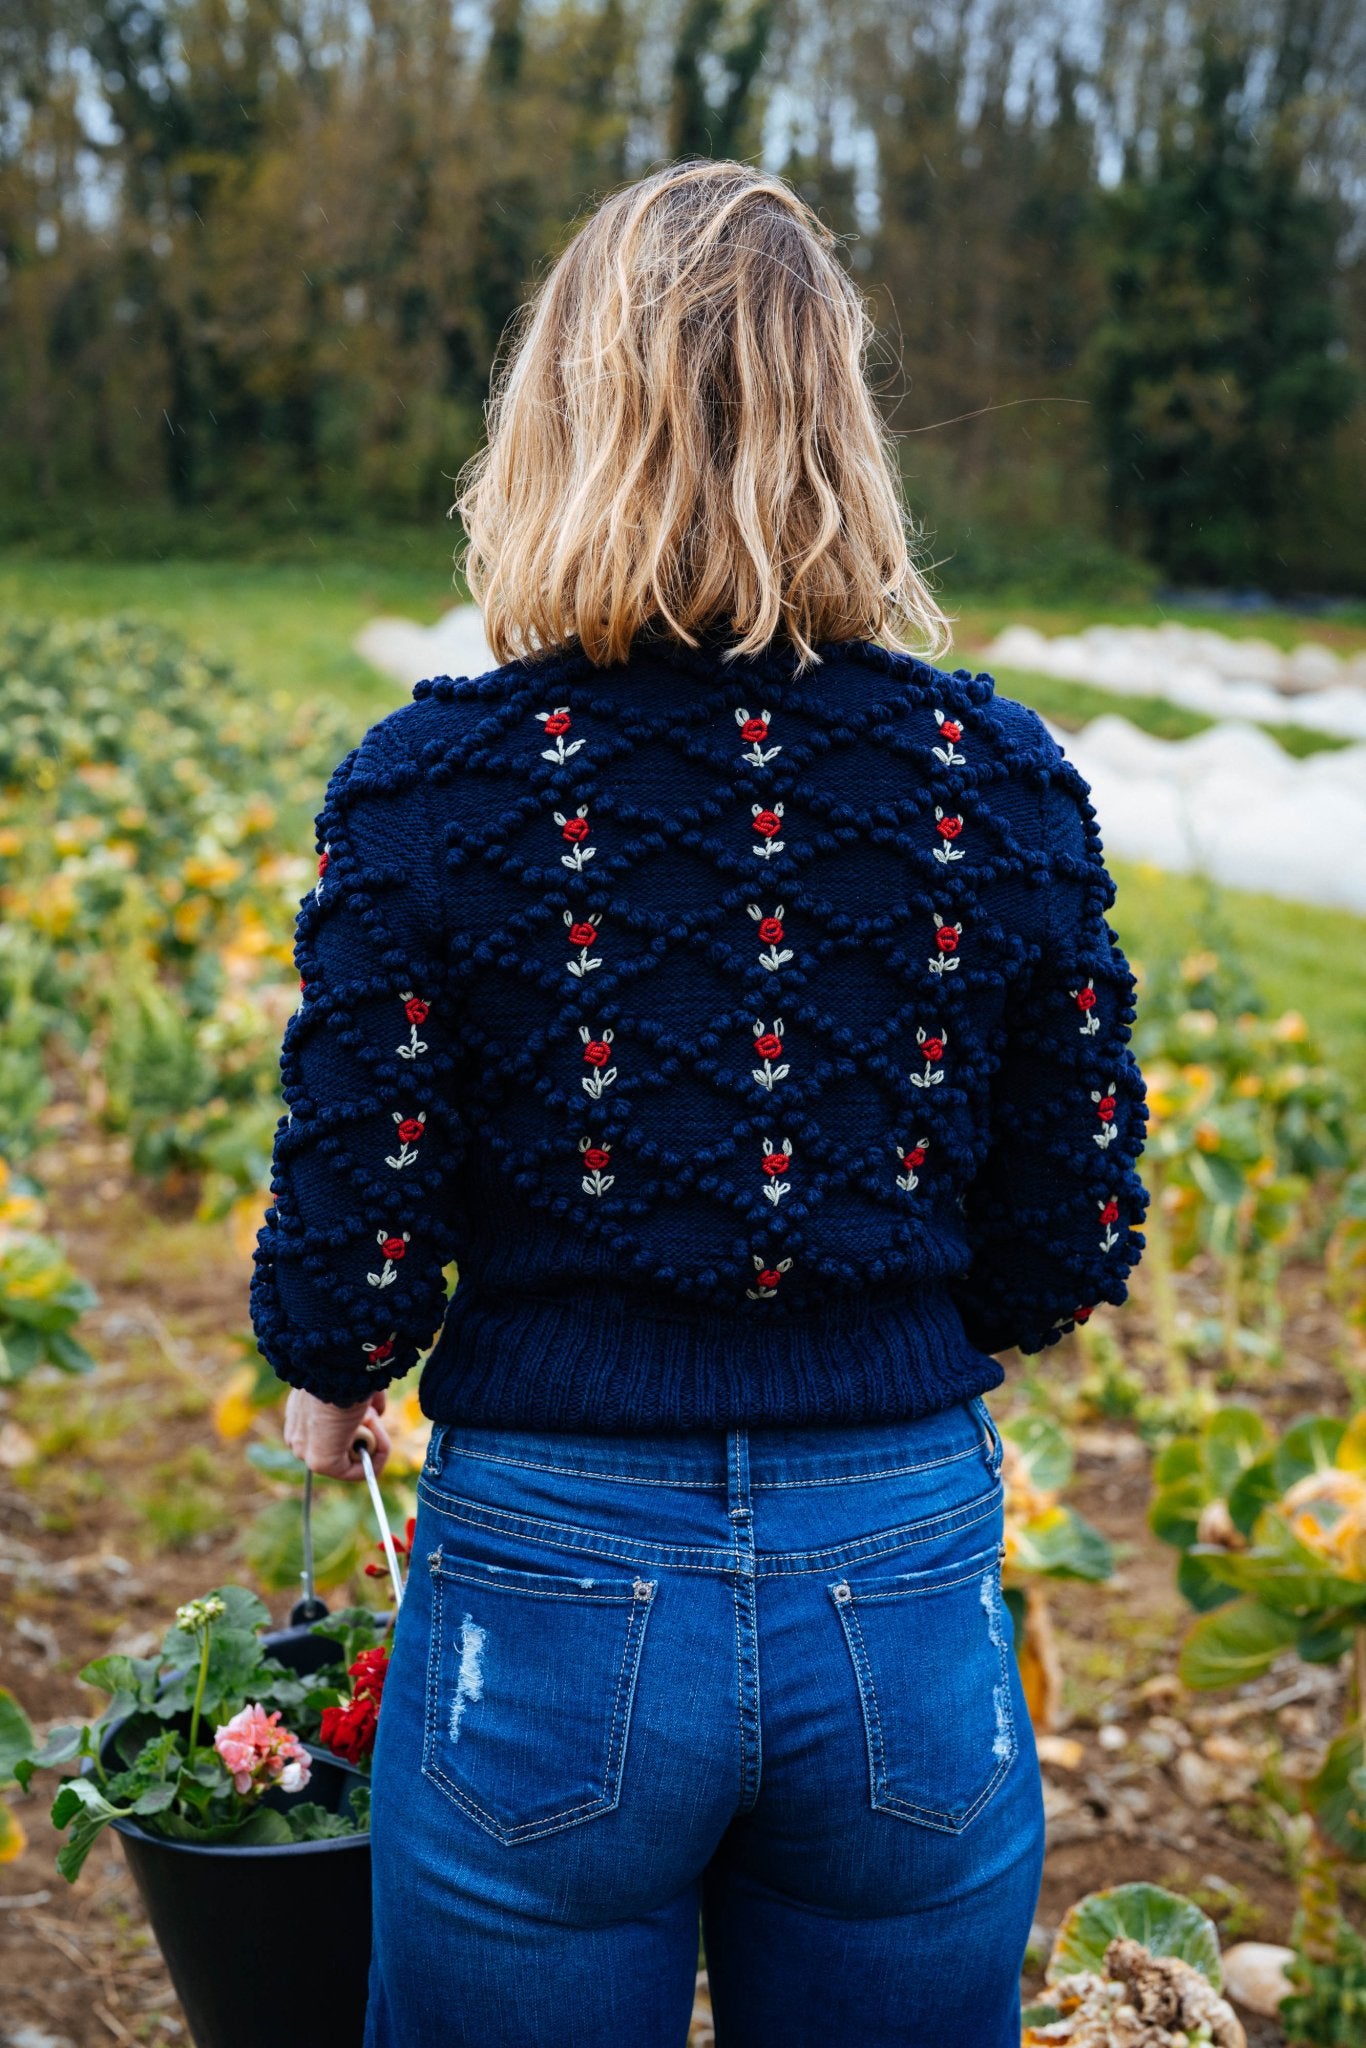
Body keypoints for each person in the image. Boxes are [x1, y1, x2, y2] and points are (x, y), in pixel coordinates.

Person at [254, 159, 1147, 2048]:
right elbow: (1067, 1233)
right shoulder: (993, 776)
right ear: (844, 423)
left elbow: (354, 1223)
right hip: (899, 1567)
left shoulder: (435, 782)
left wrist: (334, 1376)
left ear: (556, 418)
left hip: (544, 1589)